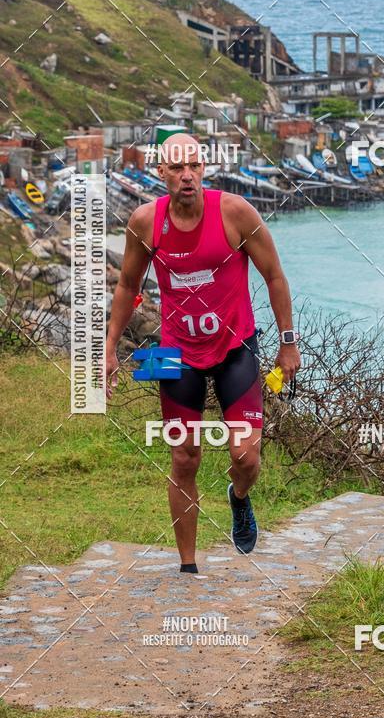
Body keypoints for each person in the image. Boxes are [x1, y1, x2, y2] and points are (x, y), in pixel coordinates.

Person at [105, 134, 301, 572]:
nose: (187, 175)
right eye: (177, 168)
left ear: (204, 168)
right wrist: (110, 346)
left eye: (193, 165)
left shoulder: (234, 213)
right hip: (177, 353)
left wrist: (288, 343)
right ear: (161, 173)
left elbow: (274, 276)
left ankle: (239, 497)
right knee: (183, 456)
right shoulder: (144, 222)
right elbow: (127, 286)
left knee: (245, 456)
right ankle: (188, 568)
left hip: (236, 347)